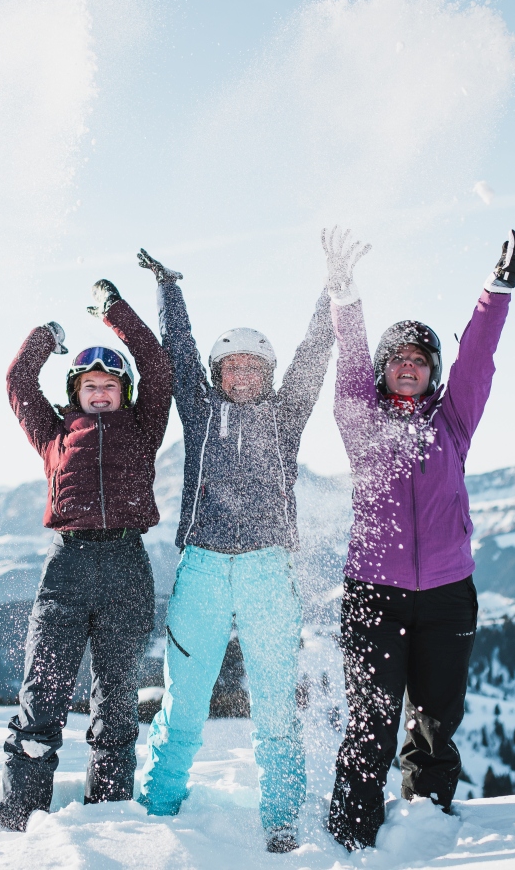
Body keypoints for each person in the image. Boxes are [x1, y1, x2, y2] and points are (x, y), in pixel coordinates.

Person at [322, 224, 515, 851]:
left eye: (420, 359)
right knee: (370, 721)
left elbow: (477, 360)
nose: (409, 366)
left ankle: (425, 826)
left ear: (432, 372)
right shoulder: (360, 422)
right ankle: (351, 837)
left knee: (437, 721)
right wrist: (343, 295)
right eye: (398, 360)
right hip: (373, 594)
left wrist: (496, 290)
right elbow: (351, 361)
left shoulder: (453, 422)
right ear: (385, 373)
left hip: (447, 596)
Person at [132, 247, 334, 853]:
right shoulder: (199, 412)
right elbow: (179, 352)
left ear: (267, 376)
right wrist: (169, 289)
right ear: (218, 376)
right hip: (202, 569)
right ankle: (158, 808)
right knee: (185, 701)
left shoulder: (285, 415)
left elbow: (313, 357)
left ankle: (281, 818)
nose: (242, 376)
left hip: (269, 571)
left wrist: (332, 290)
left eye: (253, 368)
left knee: (275, 704)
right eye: (232, 368)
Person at [0, 277, 174, 832]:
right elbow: (18, 381)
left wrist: (114, 311)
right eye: (90, 385)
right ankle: (21, 815)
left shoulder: (144, 429)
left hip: (125, 564)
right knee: (43, 689)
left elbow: (159, 367)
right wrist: (47, 337)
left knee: (117, 697)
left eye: (110, 386)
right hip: (67, 566)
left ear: (124, 393)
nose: (100, 393)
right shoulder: (53, 435)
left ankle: (110, 817)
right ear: (75, 391)